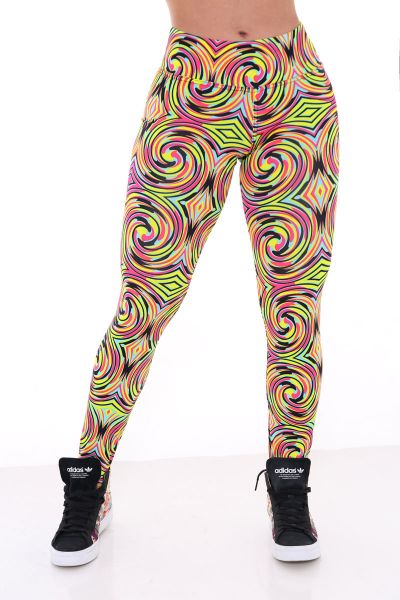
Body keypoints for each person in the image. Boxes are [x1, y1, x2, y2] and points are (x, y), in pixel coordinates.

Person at [50, 0, 340, 566]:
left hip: (295, 89)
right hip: (191, 91)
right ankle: (91, 481)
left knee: (294, 305)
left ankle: (288, 483)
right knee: (143, 303)